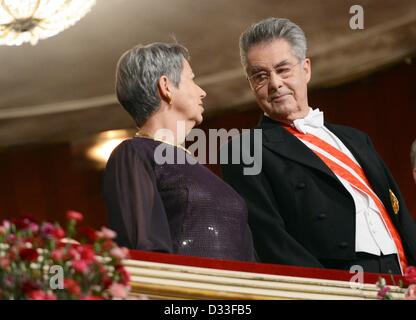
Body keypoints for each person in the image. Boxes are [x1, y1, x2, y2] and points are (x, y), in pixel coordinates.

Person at [221, 17, 416, 274]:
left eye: (284, 69)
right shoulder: (246, 150)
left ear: (306, 69)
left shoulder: (357, 139)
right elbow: (270, 239)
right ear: (250, 84)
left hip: (402, 274)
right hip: (336, 279)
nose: (275, 83)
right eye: (260, 76)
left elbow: (398, 212)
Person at [102, 42, 255, 262]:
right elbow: (144, 251)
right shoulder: (133, 153)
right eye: (192, 79)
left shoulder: (191, 164)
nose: (202, 92)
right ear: (166, 86)